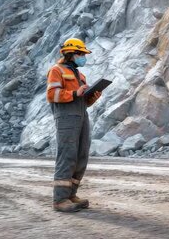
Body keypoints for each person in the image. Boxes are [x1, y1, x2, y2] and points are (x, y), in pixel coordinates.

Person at [46, 38, 101, 212]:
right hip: (66, 118)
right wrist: (74, 93)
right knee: (67, 155)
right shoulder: (57, 70)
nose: (83, 57)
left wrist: (92, 96)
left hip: (81, 116)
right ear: (70, 54)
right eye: (81, 54)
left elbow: (82, 101)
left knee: (81, 155)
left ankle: (71, 194)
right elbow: (52, 94)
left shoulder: (80, 75)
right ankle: (60, 199)